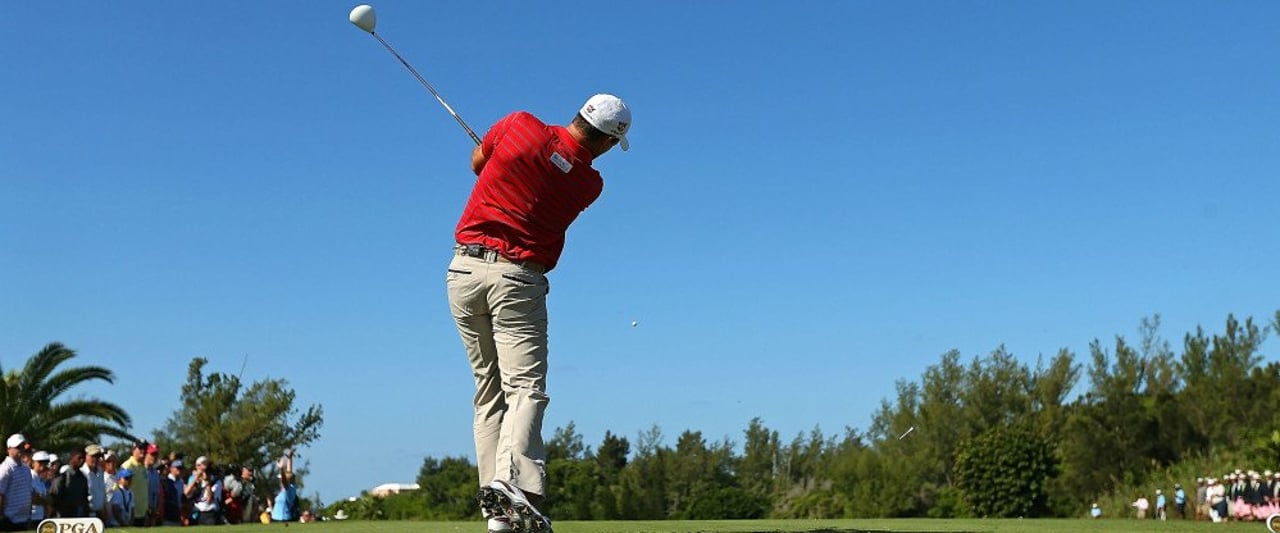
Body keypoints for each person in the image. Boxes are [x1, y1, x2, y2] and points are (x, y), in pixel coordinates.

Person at [449, 93, 631, 533]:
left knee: (488, 391)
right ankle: (512, 485)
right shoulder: (590, 184)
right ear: (607, 142)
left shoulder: (519, 123)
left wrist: (498, 152)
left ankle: (498, 516)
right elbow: (553, 169)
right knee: (525, 388)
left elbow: (478, 162)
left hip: (462, 273)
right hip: (516, 280)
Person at [0, 434, 33, 531]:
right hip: (9, 521)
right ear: (9, 449)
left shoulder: (26, 469)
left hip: (24, 520)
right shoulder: (5, 469)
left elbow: (29, 492)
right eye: (18, 447)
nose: (21, 450)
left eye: (23, 447)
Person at [120, 441, 151, 526]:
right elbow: (122, 488)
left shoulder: (143, 467)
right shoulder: (127, 466)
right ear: (133, 450)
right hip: (131, 513)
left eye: (145, 448)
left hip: (143, 513)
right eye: (140, 448)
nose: (143, 451)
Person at [50, 451, 88, 518]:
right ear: (71, 459)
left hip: (78, 514)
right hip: (63, 514)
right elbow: (54, 497)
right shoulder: (62, 477)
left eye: (83, 458)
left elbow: (85, 496)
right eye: (79, 458)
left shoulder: (83, 477)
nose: (82, 460)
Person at [184, 456, 220, 525]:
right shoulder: (192, 478)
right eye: (199, 466)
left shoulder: (214, 480)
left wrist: (207, 482)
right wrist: (196, 478)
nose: (202, 468)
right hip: (196, 513)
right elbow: (186, 493)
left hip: (209, 513)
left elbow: (209, 500)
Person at [82, 444, 107, 522]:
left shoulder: (100, 472)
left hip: (100, 515)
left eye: (97, 457)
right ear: (86, 456)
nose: (96, 459)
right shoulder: (82, 473)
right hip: (87, 515)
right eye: (93, 456)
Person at [270, 452, 297, 523]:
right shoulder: (291, 487)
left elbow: (285, 480)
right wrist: (289, 459)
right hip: (278, 518)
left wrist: (281, 469)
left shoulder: (288, 489)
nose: (280, 480)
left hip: (282, 519)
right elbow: (289, 473)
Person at [160, 460, 185, 526]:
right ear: (171, 468)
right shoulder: (166, 481)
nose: (179, 470)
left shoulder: (181, 482)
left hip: (177, 514)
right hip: (167, 514)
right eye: (177, 468)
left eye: (181, 468)